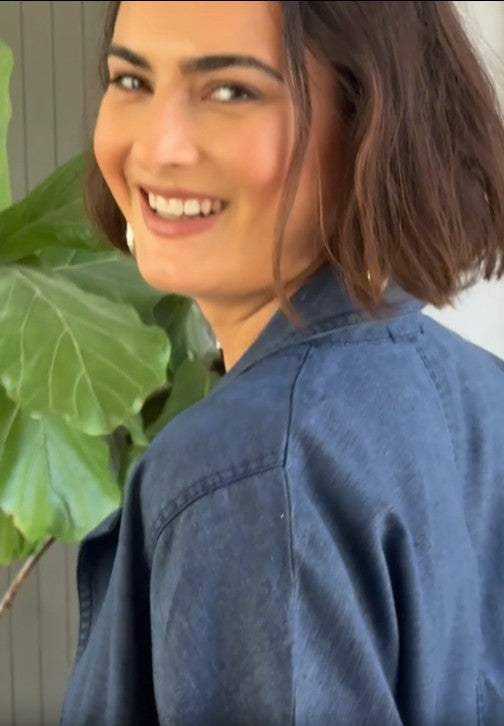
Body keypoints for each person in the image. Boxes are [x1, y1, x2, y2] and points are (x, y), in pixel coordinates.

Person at [61, 1, 504, 723]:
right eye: (131, 81)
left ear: (369, 123)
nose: (158, 147)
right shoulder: (478, 390)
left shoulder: (248, 471)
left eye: (231, 90)